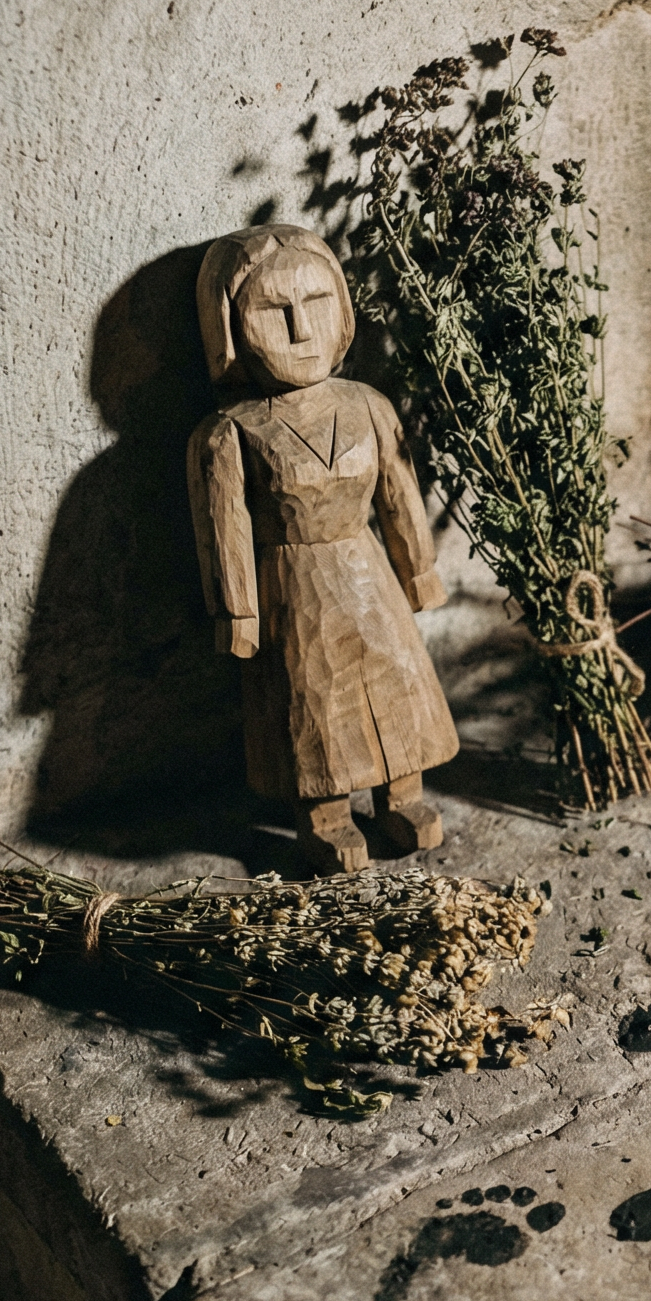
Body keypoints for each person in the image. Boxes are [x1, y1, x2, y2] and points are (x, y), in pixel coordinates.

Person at [187, 224, 459, 873]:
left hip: (369, 577)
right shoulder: (230, 433)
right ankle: (327, 817)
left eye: (316, 304)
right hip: (296, 585)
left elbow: (399, 495)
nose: (302, 331)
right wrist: (237, 615)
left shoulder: (367, 405)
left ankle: (403, 797)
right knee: (313, 705)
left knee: (396, 685)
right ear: (228, 327)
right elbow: (224, 531)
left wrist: (418, 571)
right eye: (273, 313)